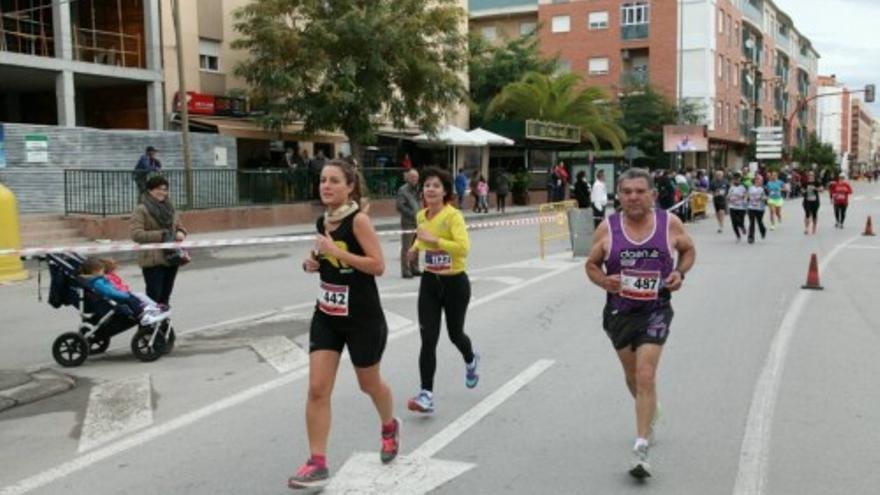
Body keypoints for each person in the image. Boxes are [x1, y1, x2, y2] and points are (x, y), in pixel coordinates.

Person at [289, 159, 399, 489]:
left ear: (350, 186)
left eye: (334, 180)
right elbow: (325, 258)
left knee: (369, 384)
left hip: (362, 318)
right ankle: (317, 462)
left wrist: (338, 251)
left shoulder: (359, 220)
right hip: (327, 315)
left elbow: (377, 266)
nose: (326, 186)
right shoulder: (323, 220)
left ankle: (389, 426)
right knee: (317, 388)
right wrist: (313, 262)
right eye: (323, 180)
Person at [584, 167, 696, 479]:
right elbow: (591, 265)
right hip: (619, 312)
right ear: (618, 196)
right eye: (627, 192)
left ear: (652, 195)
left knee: (646, 375)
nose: (633, 197)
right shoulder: (607, 228)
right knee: (632, 376)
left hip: (656, 309)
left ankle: (641, 448)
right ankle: (651, 412)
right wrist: (606, 282)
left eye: (639, 191)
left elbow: (688, 250)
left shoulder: (669, 223)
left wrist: (679, 273)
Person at [405, 167, 480, 414]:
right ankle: (426, 394)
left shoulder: (453, 216)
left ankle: (470, 359)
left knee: (455, 334)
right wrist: (416, 247)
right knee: (428, 339)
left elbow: (463, 248)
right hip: (429, 282)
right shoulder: (421, 216)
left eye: (436, 185)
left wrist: (435, 241)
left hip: (455, 283)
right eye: (427, 185)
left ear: (445, 191)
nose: (430, 189)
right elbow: (422, 236)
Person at [130, 176, 187, 306]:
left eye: (165, 189)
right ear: (150, 190)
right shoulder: (141, 209)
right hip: (153, 259)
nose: (162, 192)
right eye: (158, 189)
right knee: (154, 297)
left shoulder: (170, 208)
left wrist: (181, 232)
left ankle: (164, 325)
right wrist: (162, 235)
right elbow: (136, 234)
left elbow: (179, 226)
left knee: (166, 296)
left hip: (172, 257)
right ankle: (150, 325)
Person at [78, 257, 169, 326]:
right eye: (102, 271)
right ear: (95, 271)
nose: (103, 273)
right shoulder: (98, 282)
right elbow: (109, 292)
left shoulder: (99, 279)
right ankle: (143, 314)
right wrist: (123, 294)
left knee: (133, 298)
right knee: (130, 299)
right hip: (112, 298)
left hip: (113, 296)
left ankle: (148, 310)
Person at [396, 169, 422, 278]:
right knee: (407, 246)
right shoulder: (403, 190)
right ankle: (405, 270)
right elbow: (400, 206)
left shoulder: (418, 189)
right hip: (408, 222)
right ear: (408, 178)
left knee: (416, 246)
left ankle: (414, 267)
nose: (414, 179)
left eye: (416, 177)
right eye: (412, 177)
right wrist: (412, 214)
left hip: (418, 222)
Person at [746, 174, 768, 244]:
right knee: (751, 222)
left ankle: (763, 230)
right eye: (758, 179)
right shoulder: (750, 188)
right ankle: (751, 237)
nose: (759, 181)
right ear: (755, 180)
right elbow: (747, 196)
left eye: (761, 180)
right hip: (751, 207)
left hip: (760, 208)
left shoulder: (764, 188)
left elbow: (766, 198)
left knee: (759, 222)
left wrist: (763, 198)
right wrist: (746, 199)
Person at [727, 173, 748, 243]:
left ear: (740, 179)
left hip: (741, 207)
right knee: (734, 222)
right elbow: (728, 196)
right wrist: (729, 199)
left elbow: (746, 195)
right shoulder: (731, 187)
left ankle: (742, 227)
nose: (736, 180)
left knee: (740, 221)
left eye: (737, 179)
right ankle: (738, 236)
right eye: (735, 179)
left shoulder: (743, 186)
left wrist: (744, 199)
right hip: (732, 206)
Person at [802, 170, 822, 235]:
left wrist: (816, 188)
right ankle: (806, 228)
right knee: (807, 214)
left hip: (815, 201)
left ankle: (814, 227)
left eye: (812, 175)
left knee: (814, 215)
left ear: (814, 176)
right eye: (809, 175)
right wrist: (804, 191)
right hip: (807, 200)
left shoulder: (817, 182)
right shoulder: (805, 183)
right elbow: (802, 189)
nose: (811, 176)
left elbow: (821, 189)